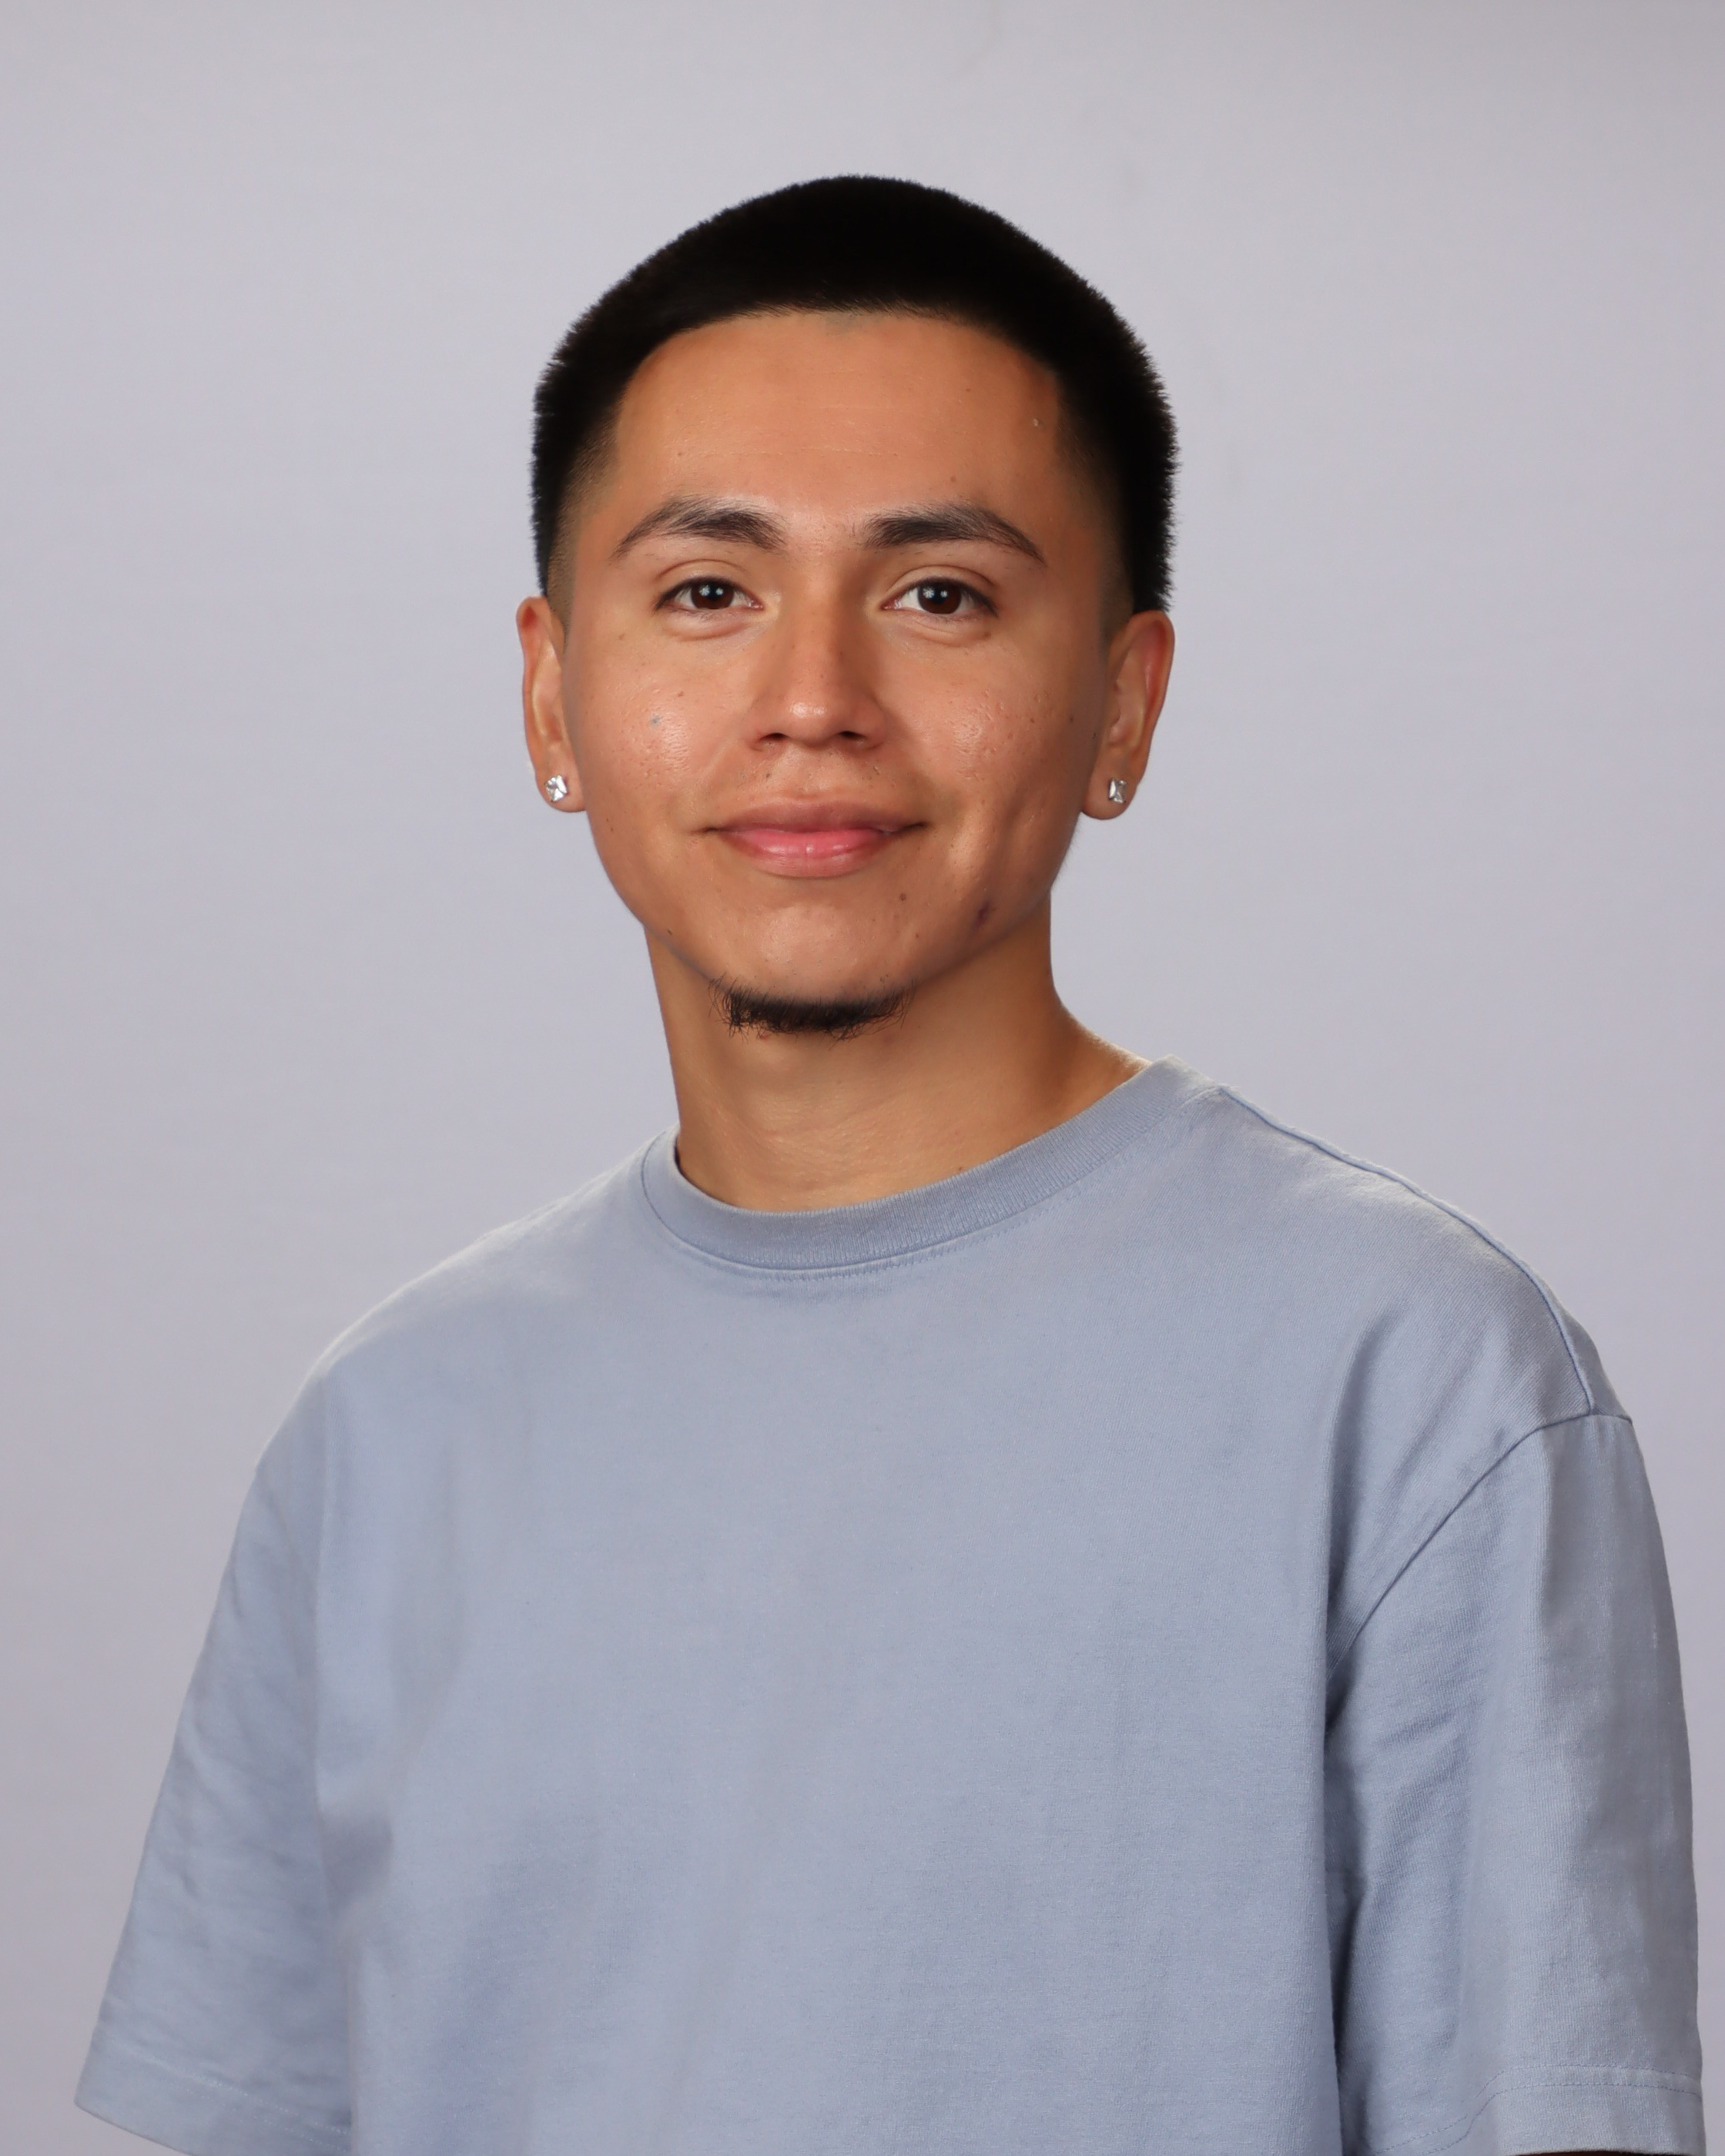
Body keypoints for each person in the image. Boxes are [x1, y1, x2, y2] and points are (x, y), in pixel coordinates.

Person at [78, 176, 1703, 2156]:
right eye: (707, 591)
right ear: (548, 692)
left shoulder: (1417, 1377)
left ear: (1121, 702)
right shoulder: (387, 1430)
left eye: (940, 594)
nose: (812, 703)